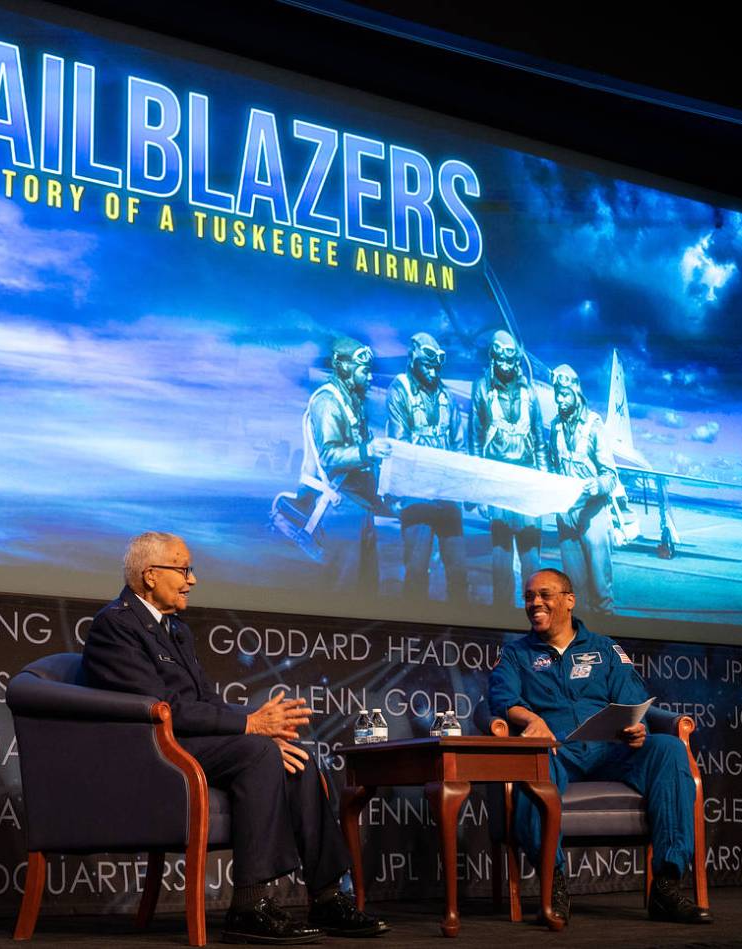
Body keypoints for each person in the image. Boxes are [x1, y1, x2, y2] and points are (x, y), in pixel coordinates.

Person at [83, 531, 390, 944]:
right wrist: (250, 726)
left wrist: (256, 725)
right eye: (184, 569)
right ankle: (249, 905)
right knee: (259, 751)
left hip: (190, 743)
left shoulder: (176, 630)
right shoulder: (115, 626)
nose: (192, 580)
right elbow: (162, 706)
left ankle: (328, 896)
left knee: (294, 759)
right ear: (151, 575)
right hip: (154, 752)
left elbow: (206, 699)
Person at [487, 568, 712, 925]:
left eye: (544, 595)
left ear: (569, 600)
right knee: (532, 763)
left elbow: (633, 701)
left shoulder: (605, 649)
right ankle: (553, 886)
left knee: (668, 749)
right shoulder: (516, 654)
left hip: (612, 750)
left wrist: (636, 727)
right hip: (557, 751)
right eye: (529, 596)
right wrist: (531, 719)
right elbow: (501, 699)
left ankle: (666, 888)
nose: (535, 603)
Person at [299, 337, 391, 594]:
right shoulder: (328, 402)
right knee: (345, 590)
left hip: (360, 507)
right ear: (344, 367)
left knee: (366, 590)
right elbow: (328, 456)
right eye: (364, 371)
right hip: (343, 509)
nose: (370, 378)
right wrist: (367, 451)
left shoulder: (351, 400)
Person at [385, 332, 468, 604]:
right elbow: (401, 443)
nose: (433, 372)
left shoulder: (447, 396)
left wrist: (465, 489)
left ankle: (462, 634)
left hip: (447, 495)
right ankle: (414, 636)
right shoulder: (400, 390)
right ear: (413, 360)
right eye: (427, 365)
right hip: (416, 494)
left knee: (458, 569)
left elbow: (459, 445)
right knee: (417, 568)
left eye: (436, 367)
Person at [469, 330, 548, 607]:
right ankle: (501, 618)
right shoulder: (481, 387)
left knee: (531, 556)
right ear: (493, 356)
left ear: (516, 360)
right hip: (496, 477)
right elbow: (475, 440)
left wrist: (544, 487)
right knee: (501, 554)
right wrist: (478, 491)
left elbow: (539, 440)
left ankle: (536, 619)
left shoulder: (530, 392)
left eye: (510, 359)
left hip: (526, 477)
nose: (505, 365)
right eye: (500, 358)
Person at [548, 364, 616, 614]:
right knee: (573, 595)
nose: (560, 399)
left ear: (576, 392)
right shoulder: (555, 426)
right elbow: (551, 465)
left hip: (592, 513)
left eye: (564, 394)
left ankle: (607, 649)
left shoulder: (594, 425)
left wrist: (596, 484)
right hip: (566, 515)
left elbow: (611, 476)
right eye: (557, 394)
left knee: (602, 594)